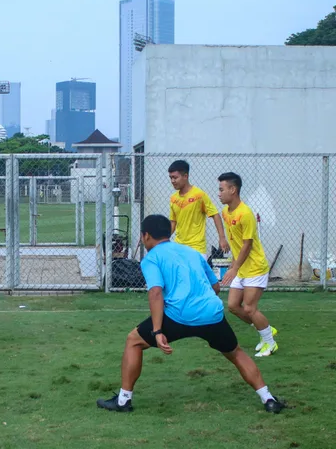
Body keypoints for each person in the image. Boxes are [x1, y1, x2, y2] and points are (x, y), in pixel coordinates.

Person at [97, 214, 285, 414]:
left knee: (133, 341)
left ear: (146, 236)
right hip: (212, 314)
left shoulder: (151, 258)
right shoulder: (192, 253)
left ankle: (123, 401)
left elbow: (155, 292)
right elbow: (215, 286)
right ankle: (268, 399)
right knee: (236, 353)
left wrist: (158, 330)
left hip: (178, 316)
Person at [218, 172, 278, 357]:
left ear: (233, 190)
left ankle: (270, 342)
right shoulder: (225, 212)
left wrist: (235, 268)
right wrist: (234, 265)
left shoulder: (246, 213)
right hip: (241, 268)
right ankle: (265, 328)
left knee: (250, 308)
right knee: (233, 306)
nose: (219, 193)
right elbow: (236, 243)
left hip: (255, 268)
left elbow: (247, 244)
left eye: (221, 189)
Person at [168, 160, 229, 257]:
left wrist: (222, 238)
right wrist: (164, 240)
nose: (172, 181)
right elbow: (173, 222)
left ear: (185, 176)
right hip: (178, 247)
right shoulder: (173, 199)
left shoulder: (199, 195)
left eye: (175, 177)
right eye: (170, 178)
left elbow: (215, 215)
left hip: (196, 249)